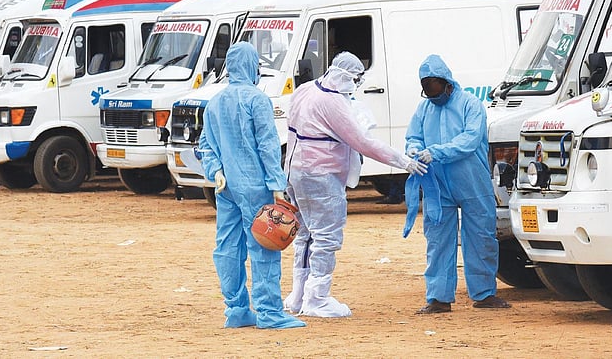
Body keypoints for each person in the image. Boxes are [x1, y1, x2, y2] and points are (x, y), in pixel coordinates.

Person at [283, 51, 427, 317]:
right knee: (326, 236)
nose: (357, 85)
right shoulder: (333, 102)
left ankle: (298, 295)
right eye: (357, 79)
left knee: (305, 234)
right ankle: (317, 299)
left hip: (296, 171)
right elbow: (363, 142)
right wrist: (403, 161)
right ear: (347, 76)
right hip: (321, 175)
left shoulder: (305, 90)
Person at [198, 41, 305, 329]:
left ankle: (236, 309)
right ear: (251, 66)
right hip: (255, 186)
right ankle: (269, 312)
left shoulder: (214, 102)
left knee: (228, 247)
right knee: (265, 243)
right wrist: (276, 183)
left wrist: (215, 171)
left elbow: (205, 144)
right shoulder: (257, 99)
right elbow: (268, 146)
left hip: (226, 187)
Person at [404, 54, 511, 314]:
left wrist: (437, 152)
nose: (431, 93)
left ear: (447, 82)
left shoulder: (470, 104)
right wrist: (414, 150)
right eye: (426, 88)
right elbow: (413, 137)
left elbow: (470, 140)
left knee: (481, 237)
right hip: (437, 185)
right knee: (438, 240)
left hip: (472, 182)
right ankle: (438, 298)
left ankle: (484, 294)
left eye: (434, 86)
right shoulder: (424, 108)